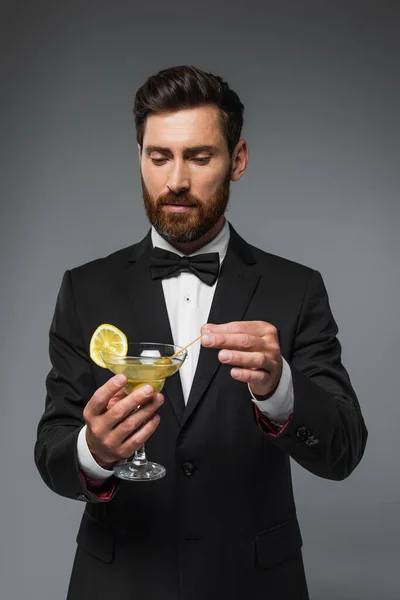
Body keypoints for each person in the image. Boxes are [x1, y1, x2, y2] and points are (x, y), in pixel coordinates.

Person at [34, 65, 368, 600]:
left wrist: (279, 389)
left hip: (255, 584)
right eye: (158, 156)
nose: (176, 181)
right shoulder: (85, 289)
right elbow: (51, 450)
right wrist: (93, 452)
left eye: (199, 156)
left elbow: (344, 450)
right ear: (139, 156)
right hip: (119, 582)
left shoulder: (297, 289)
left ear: (237, 161)